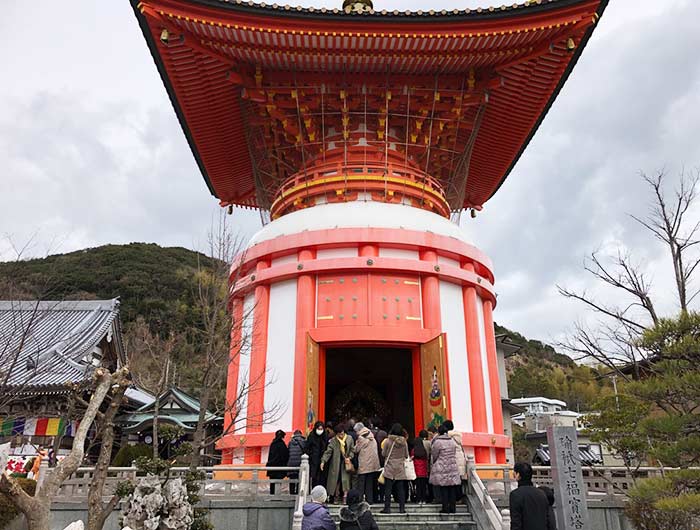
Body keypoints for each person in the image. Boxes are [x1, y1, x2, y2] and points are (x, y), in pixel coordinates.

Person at [509, 462, 556, 530]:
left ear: (518, 475)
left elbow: (516, 523)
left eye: (514, 472)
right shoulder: (541, 493)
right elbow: (549, 521)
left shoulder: (515, 495)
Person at [429, 423, 461, 513]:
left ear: (439, 432)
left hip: (442, 465)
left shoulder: (437, 442)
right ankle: (452, 508)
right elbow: (454, 452)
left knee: (444, 488)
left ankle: (445, 508)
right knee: (451, 488)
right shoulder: (452, 441)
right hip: (452, 465)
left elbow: (434, 455)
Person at [321, 423, 355, 504]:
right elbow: (328, 452)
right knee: (336, 481)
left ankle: (345, 497)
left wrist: (349, 457)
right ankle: (336, 496)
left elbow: (352, 450)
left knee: (346, 481)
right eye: (339, 433)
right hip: (336, 464)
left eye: (342, 433)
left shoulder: (349, 439)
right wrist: (323, 461)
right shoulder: (333, 440)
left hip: (345, 464)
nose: (341, 435)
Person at [381, 423, 409, 514]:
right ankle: (402, 508)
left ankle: (387, 508)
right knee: (401, 489)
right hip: (400, 466)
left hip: (390, 466)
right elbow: (406, 455)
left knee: (388, 488)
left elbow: (384, 454)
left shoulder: (388, 441)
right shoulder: (404, 442)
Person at [353, 422, 380, 504]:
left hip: (364, 463)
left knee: (361, 483)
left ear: (358, 430)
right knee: (369, 483)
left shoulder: (361, 438)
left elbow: (356, 450)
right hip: (373, 463)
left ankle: (360, 499)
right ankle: (370, 500)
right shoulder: (371, 436)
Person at [443, 419, 467, 504]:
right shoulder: (458, 436)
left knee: (453, 481)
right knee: (458, 480)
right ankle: (459, 497)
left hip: (454, 459)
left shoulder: (448, 437)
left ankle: (456, 498)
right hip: (460, 459)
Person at [306, 421, 329, 488]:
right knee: (314, 478)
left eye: (321, 429)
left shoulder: (325, 436)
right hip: (314, 460)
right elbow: (307, 447)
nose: (320, 431)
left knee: (323, 478)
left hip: (323, 461)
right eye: (318, 429)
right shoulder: (311, 436)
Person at [267, 430, 289, 495]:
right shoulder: (282, 445)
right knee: (278, 482)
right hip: (279, 467)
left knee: (272, 483)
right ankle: (277, 496)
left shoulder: (273, 444)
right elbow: (285, 456)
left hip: (272, 466)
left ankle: (272, 496)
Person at [411, 430, 430, 504]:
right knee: (424, 486)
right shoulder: (424, 451)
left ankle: (418, 499)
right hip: (424, 472)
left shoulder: (414, 450)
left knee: (418, 486)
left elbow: (411, 458)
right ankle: (424, 499)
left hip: (417, 471)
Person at [287, 429, 307, 495]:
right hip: (300, 463)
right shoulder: (303, 442)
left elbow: (288, 451)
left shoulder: (290, 442)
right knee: (300, 479)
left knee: (292, 480)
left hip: (291, 464)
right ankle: (298, 493)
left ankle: (292, 493)